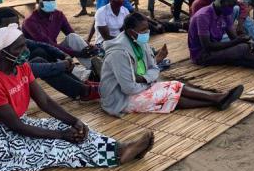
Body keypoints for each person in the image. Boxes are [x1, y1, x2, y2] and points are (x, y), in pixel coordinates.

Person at [0, 25, 153, 171]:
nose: (25, 51)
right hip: (1, 137)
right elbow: (16, 127)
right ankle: (115, 157)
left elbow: (44, 101)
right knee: (58, 147)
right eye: (18, 48)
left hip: (20, 123)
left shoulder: (21, 68)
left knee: (76, 129)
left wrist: (74, 121)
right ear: (4, 53)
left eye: (24, 45)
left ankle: (120, 148)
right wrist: (61, 136)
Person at [100, 13, 245, 117]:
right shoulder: (119, 52)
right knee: (168, 95)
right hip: (120, 98)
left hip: (141, 84)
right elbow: (128, 88)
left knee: (176, 85)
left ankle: (217, 97)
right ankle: (215, 101)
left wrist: (144, 78)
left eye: (147, 29)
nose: (147, 33)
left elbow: (154, 68)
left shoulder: (139, 41)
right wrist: (149, 82)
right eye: (143, 30)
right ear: (131, 32)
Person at [0, 8, 98, 113]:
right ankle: (84, 91)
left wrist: (64, 55)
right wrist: (62, 65)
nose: (14, 30)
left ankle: (82, 87)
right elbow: (29, 69)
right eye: (8, 27)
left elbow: (39, 44)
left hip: (2, 88)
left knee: (40, 55)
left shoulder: (8, 39)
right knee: (39, 65)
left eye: (16, 26)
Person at [22, 0, 99, 77]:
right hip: (39, 56)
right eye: (47, 0)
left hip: (54, 50)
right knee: (47, 53)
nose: (50, 2)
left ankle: (94, 67)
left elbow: (71, 33)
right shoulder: (30, 22)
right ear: (37, 1)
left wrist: (88, 46)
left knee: (72, 37)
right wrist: (76, 53)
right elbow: (47, 44)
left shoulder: (58, 15)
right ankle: (87, 75)